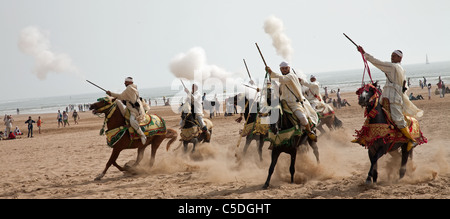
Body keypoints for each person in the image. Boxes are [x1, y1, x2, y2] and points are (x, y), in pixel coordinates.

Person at [357, 46, 423, 150]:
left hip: (394, 98)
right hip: (386, 96)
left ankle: (411, 140)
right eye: (391, 56)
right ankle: (365, 137)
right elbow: (404, 86)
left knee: (397, 119)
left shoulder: (394, 67)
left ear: (400, 58)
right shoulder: (399, 69)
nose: (392, 57)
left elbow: (378, 63)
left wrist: (365, 54)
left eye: (394, 56)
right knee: (373, 112)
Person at [265, 61, 318, 141]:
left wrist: (271, 71)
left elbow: (281, 78)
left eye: (286, 68)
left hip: (294, 104)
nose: (284, 70)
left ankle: (309, 132)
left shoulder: (291, 76)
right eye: (283, 69)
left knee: (302, 117)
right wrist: (270, 76)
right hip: (283, 104)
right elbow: (277, 82)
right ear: (280, 69)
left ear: (289, 68)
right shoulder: (282, 80)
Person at [106, 77, 147, 145]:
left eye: (126, 82)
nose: (124, 83)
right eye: (125, 82)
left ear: (130, 82)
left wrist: (110, 93)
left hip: (134, 109)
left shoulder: (129, 88)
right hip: (130, 107)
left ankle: (142, 135)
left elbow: (121, 96)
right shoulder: (133, 87)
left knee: (132, 121)